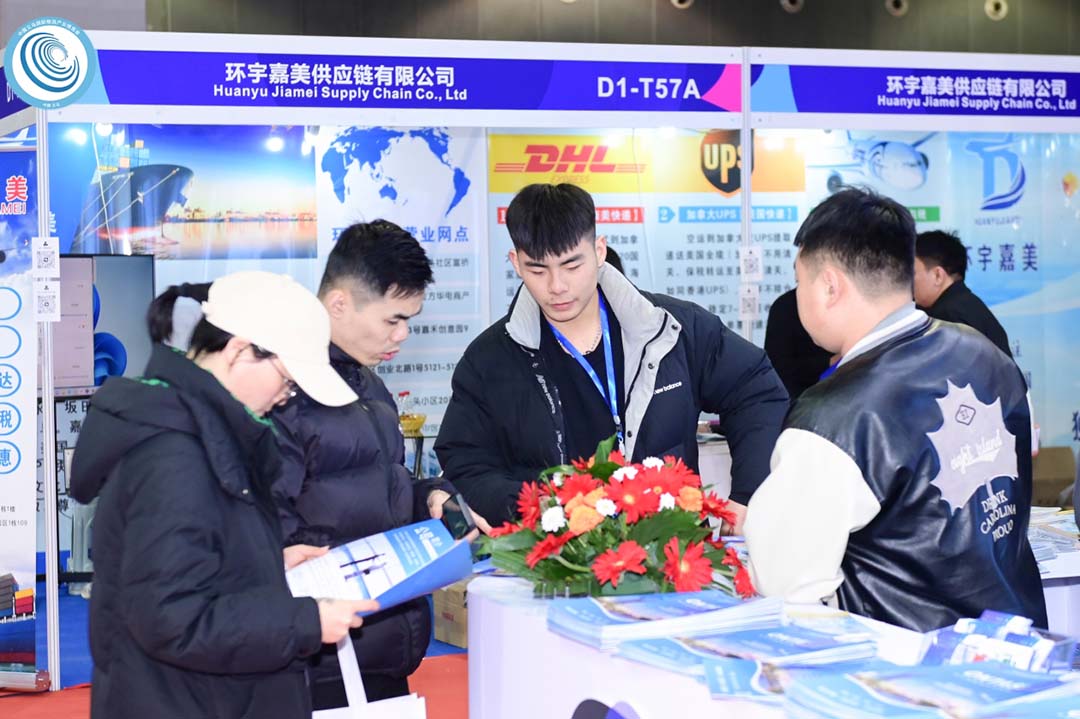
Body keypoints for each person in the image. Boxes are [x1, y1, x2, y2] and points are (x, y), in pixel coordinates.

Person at [69, 272, 377, 719]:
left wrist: (267, 562)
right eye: (287, 381)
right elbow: (172, 617)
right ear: (238, 351)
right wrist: (306, 621)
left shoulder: (205, 429)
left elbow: (191, 562)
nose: (285, 398)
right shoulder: (174, 453)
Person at [743, 188, 1047, 632]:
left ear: (829, 286)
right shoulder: (988, 355)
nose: (798, 295)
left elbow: (785, 585)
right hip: (1015, 642)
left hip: (908, 660)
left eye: (800, 280)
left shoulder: (833, 418)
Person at [435, 183, 789, 525]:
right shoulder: (489, 360)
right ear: (516, 262)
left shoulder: (672, 329)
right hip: (556, 556)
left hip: (671, 551)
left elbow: (755, 390)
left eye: (572, 265)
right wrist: (541, 508)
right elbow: (465, 463)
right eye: (537, 269)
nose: (557, 286)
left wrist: (748, 494)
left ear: (599, 250)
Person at [271, 220, 482, 706]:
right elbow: (264, 529)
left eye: (410, 319)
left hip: (380, 651)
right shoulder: (281, 392)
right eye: (393, 320)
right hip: (316, 663)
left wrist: (429, 495)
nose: (403, 334)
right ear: (339, 304)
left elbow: (379, 485)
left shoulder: (368, 384)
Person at [913, 229, 1012, 357]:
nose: (906, 281)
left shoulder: (949, 317)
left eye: (912, 273)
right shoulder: (964, 304)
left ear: (938, 275)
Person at [763, 287, 833, 401]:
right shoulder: (785, 306)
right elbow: (778, 366)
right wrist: (828, 362)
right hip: (798, 399)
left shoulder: (847, 305)